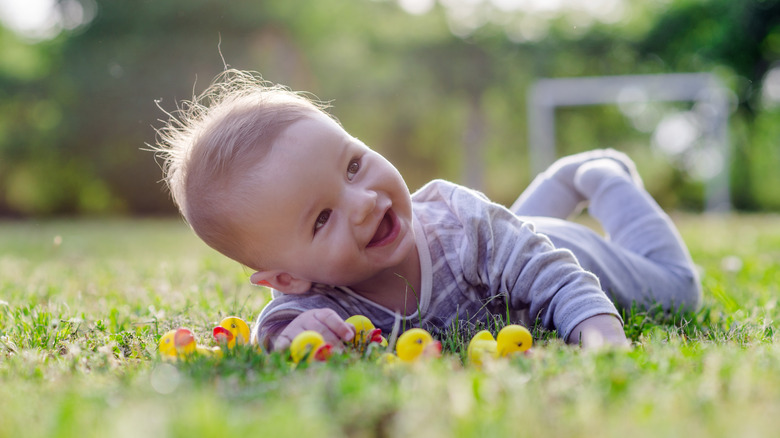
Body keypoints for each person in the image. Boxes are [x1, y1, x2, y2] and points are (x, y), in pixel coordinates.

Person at [153, 69, 702, 352]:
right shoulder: (317, 298)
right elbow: (274, 326)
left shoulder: (458, 226)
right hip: (506, 247)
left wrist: (602, 339)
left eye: (353, 166)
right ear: (289, 277)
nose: (365, 202)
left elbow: (559, 281)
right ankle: (559, 182)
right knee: (508, 236)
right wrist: (298, 337)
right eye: (322, 219)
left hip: (561, 253)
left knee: (679, 292)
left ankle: (597, 176)